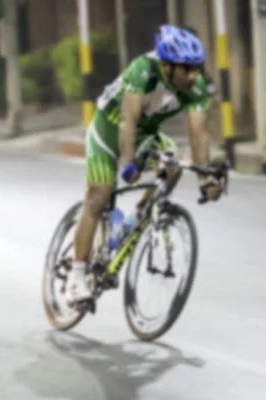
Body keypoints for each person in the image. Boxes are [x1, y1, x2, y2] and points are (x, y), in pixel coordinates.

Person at [66, 24, 224, 305]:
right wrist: (128, 164)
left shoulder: (195, 87)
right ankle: (76, 278)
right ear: (166, 65)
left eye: (196, 68)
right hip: (109, 128)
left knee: (173, 163)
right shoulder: (143, 70)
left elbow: (198, 134)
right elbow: (128, 120)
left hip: (145, 134)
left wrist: (206, 180)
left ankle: (139, 216)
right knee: (99, 195)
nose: (193, 76)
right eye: (186, 69)